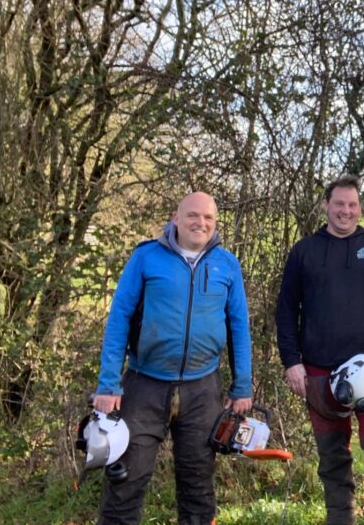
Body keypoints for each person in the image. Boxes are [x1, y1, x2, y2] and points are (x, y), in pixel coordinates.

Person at [92, 191, 253, 525]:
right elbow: (119, 317)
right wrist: (108, 384)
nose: (201, 223)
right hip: (144, 385)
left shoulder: (226, 264)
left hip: (202, 389)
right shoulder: (147, 258)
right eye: (193, 215)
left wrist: (242, 387)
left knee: (198, 485)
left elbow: (239, 326)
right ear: (176, 218)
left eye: (209, 218)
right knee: (125, 478)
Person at [275, 175, 364, 525]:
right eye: (339, 204)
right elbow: (286, 310)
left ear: (360, 207)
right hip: (319, 372)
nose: (346, 211)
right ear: (326, 206)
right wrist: (292, 362)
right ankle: (340, 518)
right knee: (332, 456)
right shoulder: (304, 251)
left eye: (352, 205)